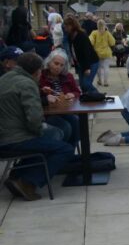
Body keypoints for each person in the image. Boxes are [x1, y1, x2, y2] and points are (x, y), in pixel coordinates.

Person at [0, 53, 74, 200]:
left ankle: (16, 175)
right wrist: (40, 132)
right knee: (64, 147)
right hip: (13, 141)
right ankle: (28, 182)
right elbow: (34, 119)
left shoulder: (4, 79)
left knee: (55, 134)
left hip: (4, 138)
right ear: (37, 71)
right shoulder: (28, 84)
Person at [39, 50, 81, 148]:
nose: (59, 67)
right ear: (49, 62)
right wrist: (44, 92)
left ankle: (70, 151)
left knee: (76, 120)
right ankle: (65, 151)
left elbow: (78, 92)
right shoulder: (40, 76)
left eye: (62, 65)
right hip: (48, 113)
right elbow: (35, 94)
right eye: (56, 63)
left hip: (65, 110)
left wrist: (72, 94)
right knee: (66, 125)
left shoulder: (68, 76)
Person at [63, 15, 100, 93]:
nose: (65, 28)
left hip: (91, 62)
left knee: (86, 84)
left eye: (66, 26)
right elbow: (73, 50)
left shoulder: (81, 35)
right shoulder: (70, 36)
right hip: (80, 64)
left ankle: (99, 97)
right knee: (82, 85)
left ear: (72, 25)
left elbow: (86, 52)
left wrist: (87, 68)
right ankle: (88, 100)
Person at [89, 19, 116, 87]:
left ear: (97, 25)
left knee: (99, 68)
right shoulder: (107, 33)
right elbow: (112, 42)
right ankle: (106, 81)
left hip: (97, 53)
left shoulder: (94, 32)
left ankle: (100, 80)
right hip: (106, 52)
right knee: (106, 67)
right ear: (104, 25)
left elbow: (90, 41)